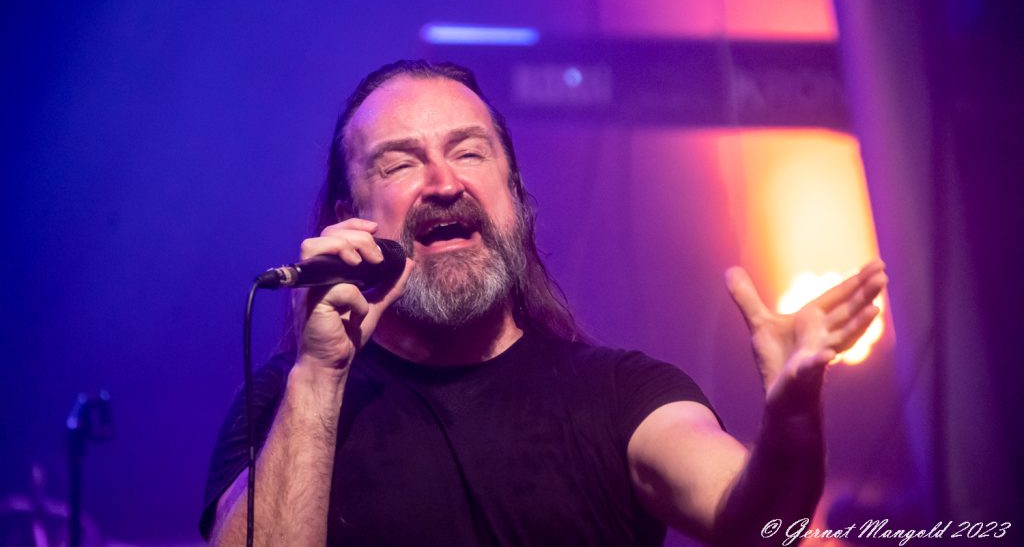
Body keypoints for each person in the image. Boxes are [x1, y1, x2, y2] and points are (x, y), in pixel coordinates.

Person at [200, 60, 888, 546]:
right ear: (350, 219)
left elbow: (758, 524)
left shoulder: (623, 394)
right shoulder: (286, 403)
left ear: (516, 199)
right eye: (401, 163)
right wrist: (319, 378)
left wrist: (794, 421)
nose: (444, 182)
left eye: (470, 153)